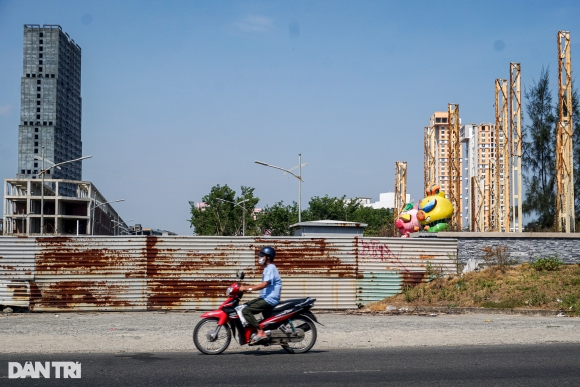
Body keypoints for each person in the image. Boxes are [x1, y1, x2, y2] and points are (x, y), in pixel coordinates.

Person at [239, 246, 282, 343]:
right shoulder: (268, 268)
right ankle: (254, 329)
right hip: (265, 298)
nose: (260, 258)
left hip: (270, 299)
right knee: (244, 306)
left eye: (262, 256)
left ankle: (260, 332)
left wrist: (247, 288)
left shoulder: (270, 268)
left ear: (268, 257)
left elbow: (264, 285)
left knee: (246, 311)